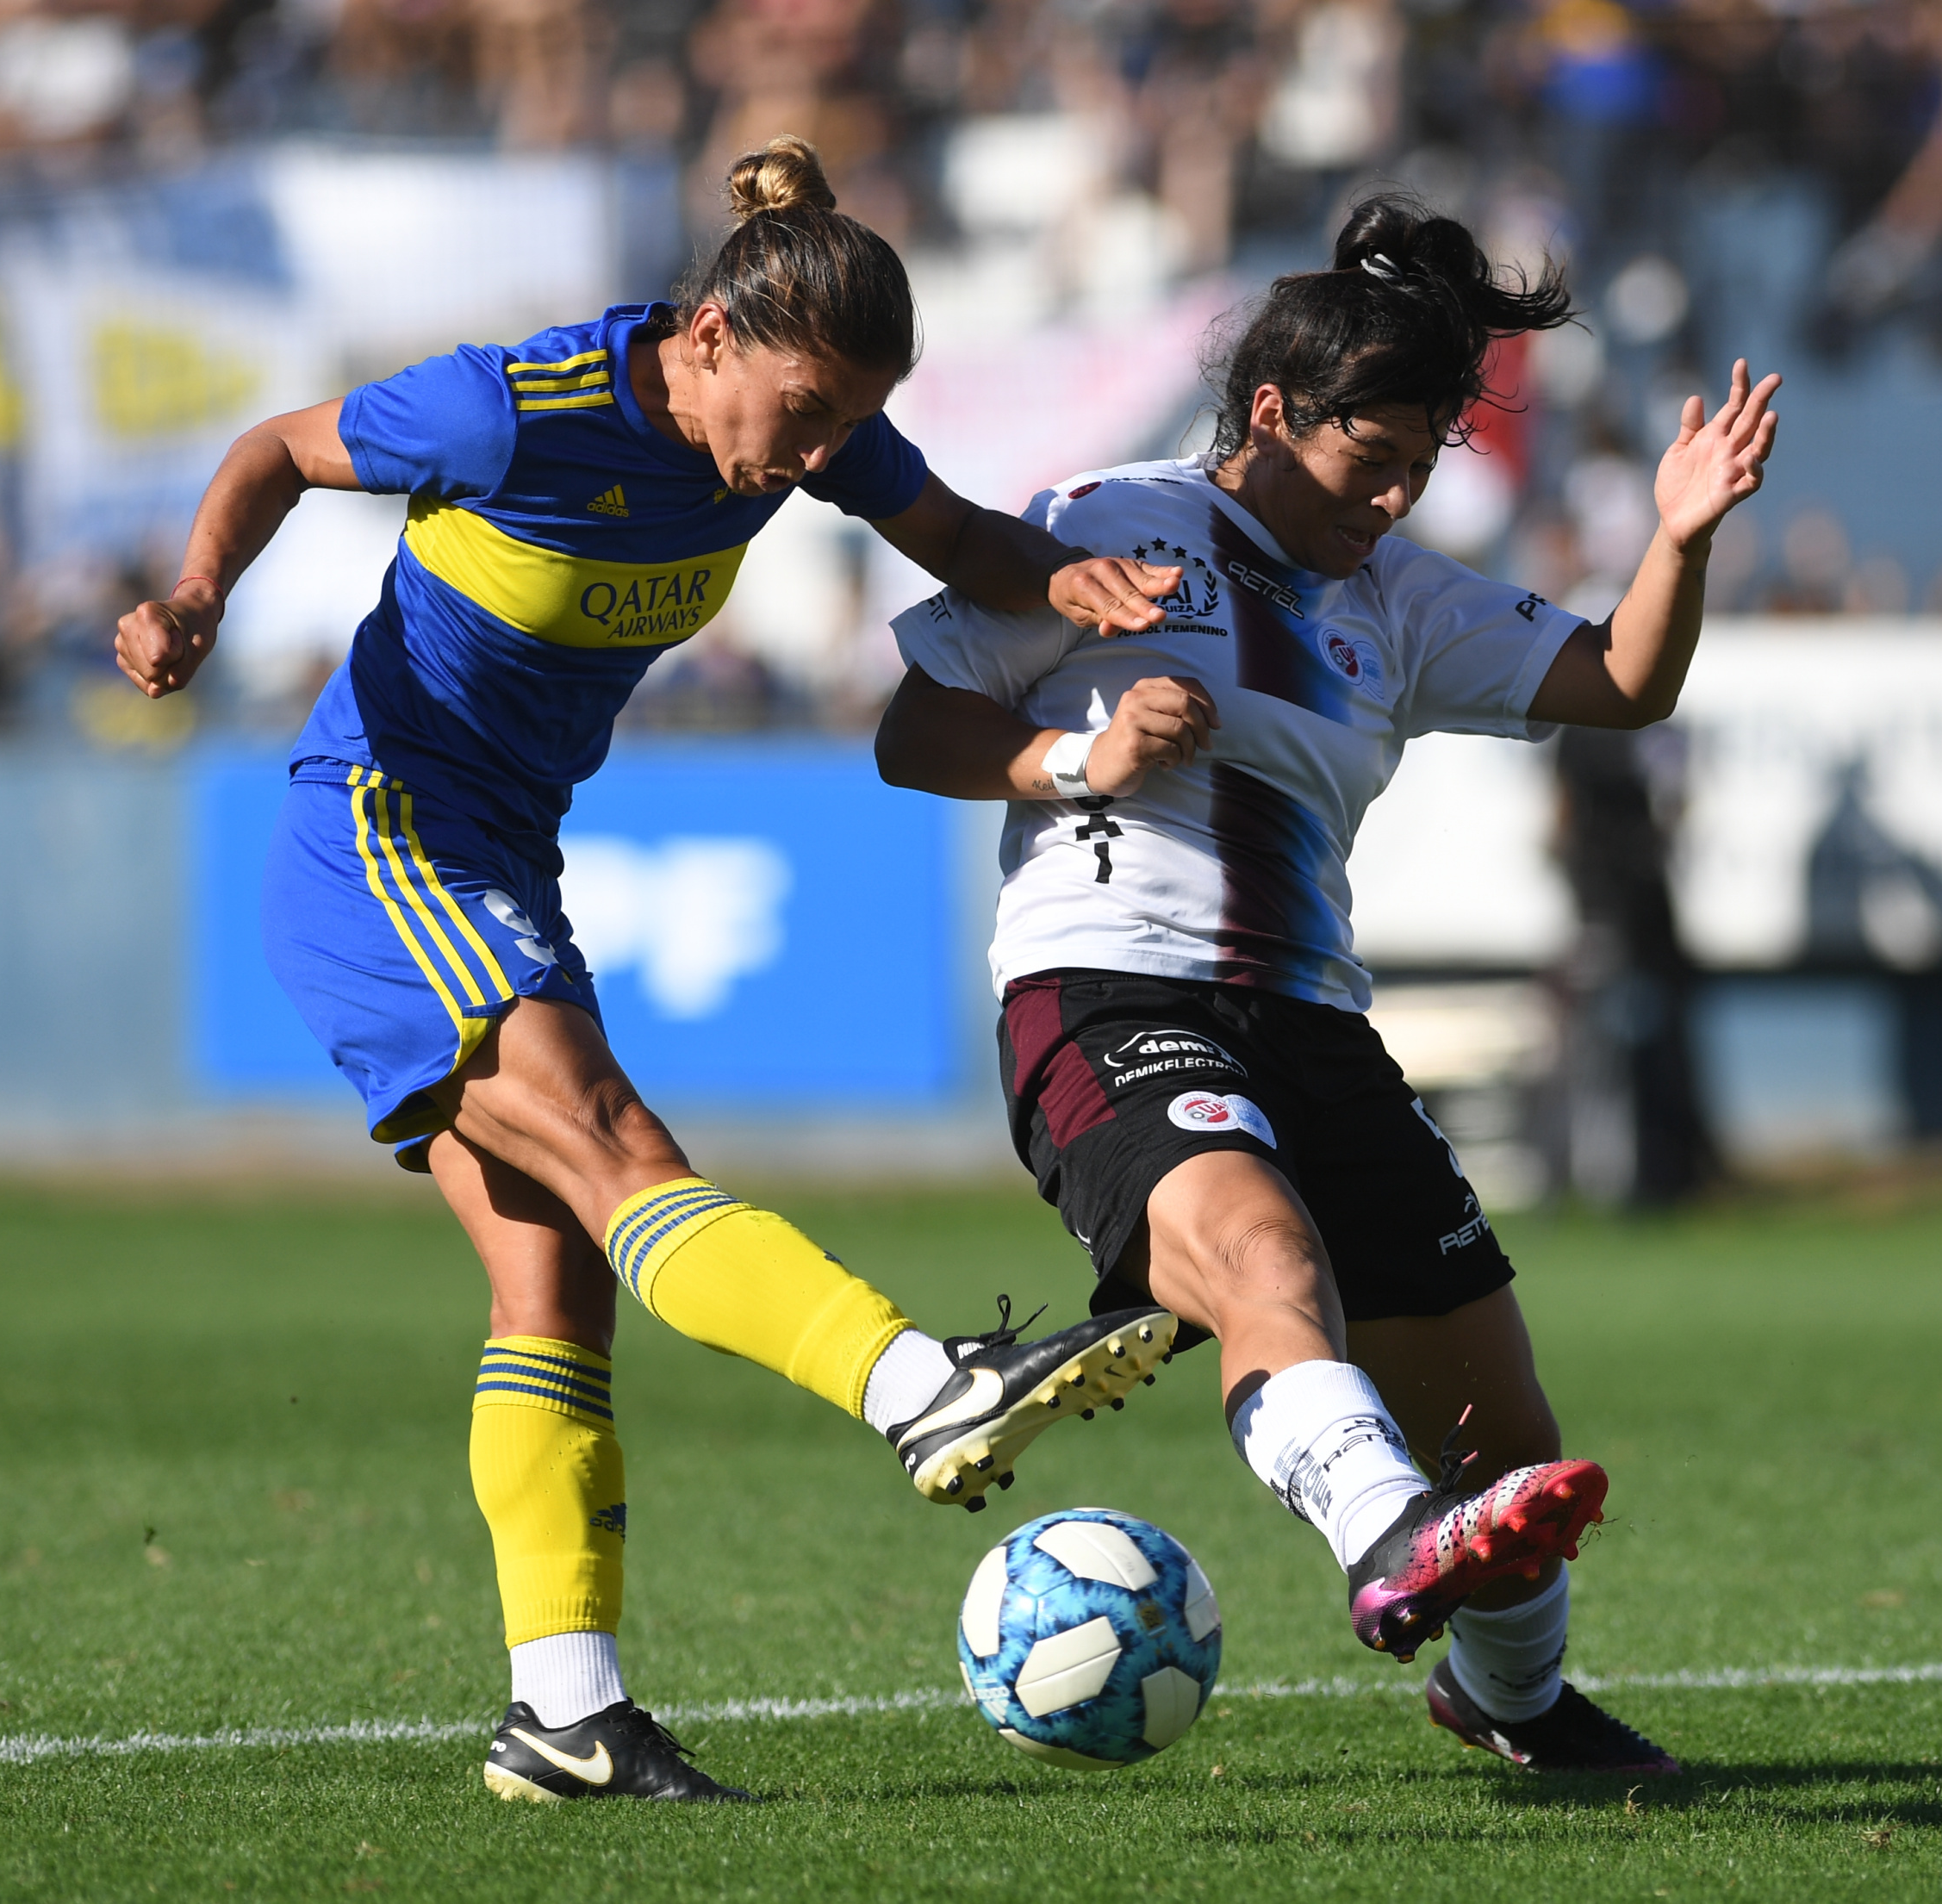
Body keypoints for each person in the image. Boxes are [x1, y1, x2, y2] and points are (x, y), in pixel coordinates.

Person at [113, 136, 1183, 1805]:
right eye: (809, 413)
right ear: (708, 337)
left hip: (498, 849)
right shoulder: (511, 409)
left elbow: (954, 529)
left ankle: (567, 1715)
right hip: (381, 832)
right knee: (619, 1151)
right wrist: (193, 593)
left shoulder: (791, 436)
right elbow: (274, 447)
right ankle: (924, 1388)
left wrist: (1065, 581)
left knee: (554, 1284)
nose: (820, 456)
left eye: (844, 425)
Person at [875, 195, 1780, 1776]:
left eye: (1426, 463)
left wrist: (1678, 540)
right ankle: (1387, 1532)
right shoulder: (1106, 521)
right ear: (1275, 414)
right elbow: (915, 725)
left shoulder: (1408, 600)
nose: (1400, 492)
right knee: (1257, 1253)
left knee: (1510, 1436)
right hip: (1105, 992)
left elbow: (1626, 682)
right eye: (1377, 458)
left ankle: (1510, 1697)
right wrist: (1077, 751)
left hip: (1311, 1020)